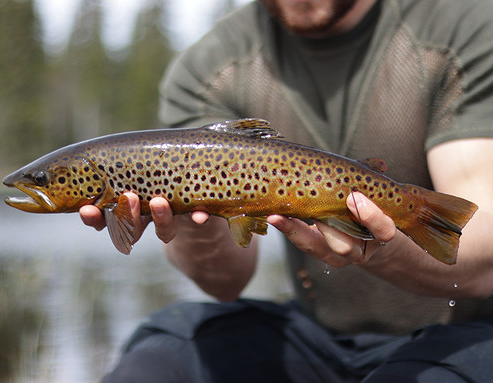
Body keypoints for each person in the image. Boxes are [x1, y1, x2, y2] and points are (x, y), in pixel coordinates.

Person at [81, 0, 493, 381]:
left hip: (468, 334)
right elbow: (226, 284)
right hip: (315, 335)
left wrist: (379, 248)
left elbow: (484, 254)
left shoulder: (458, 29)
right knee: (160, 353)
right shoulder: (211, 68)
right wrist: (193, 218)